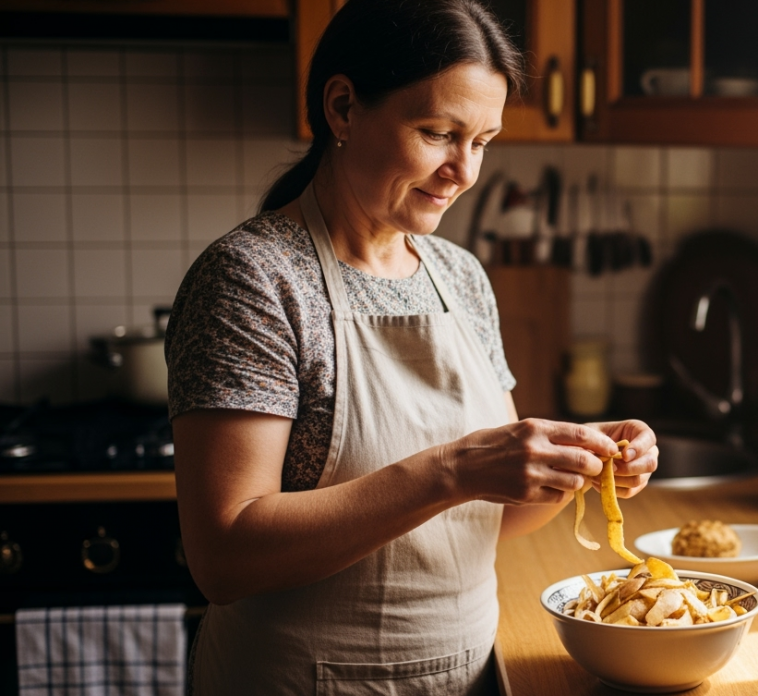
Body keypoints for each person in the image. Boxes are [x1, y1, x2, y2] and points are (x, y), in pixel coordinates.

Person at [165, 1, 658, 692]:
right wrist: (451, 470)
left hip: (471, 673)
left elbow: (499, 516)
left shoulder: (459, 276)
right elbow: (223, 557)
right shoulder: (253, 280)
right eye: (438, 133)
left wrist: (579, 463)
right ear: (342, 108)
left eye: (482, 140)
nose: (465, 170)